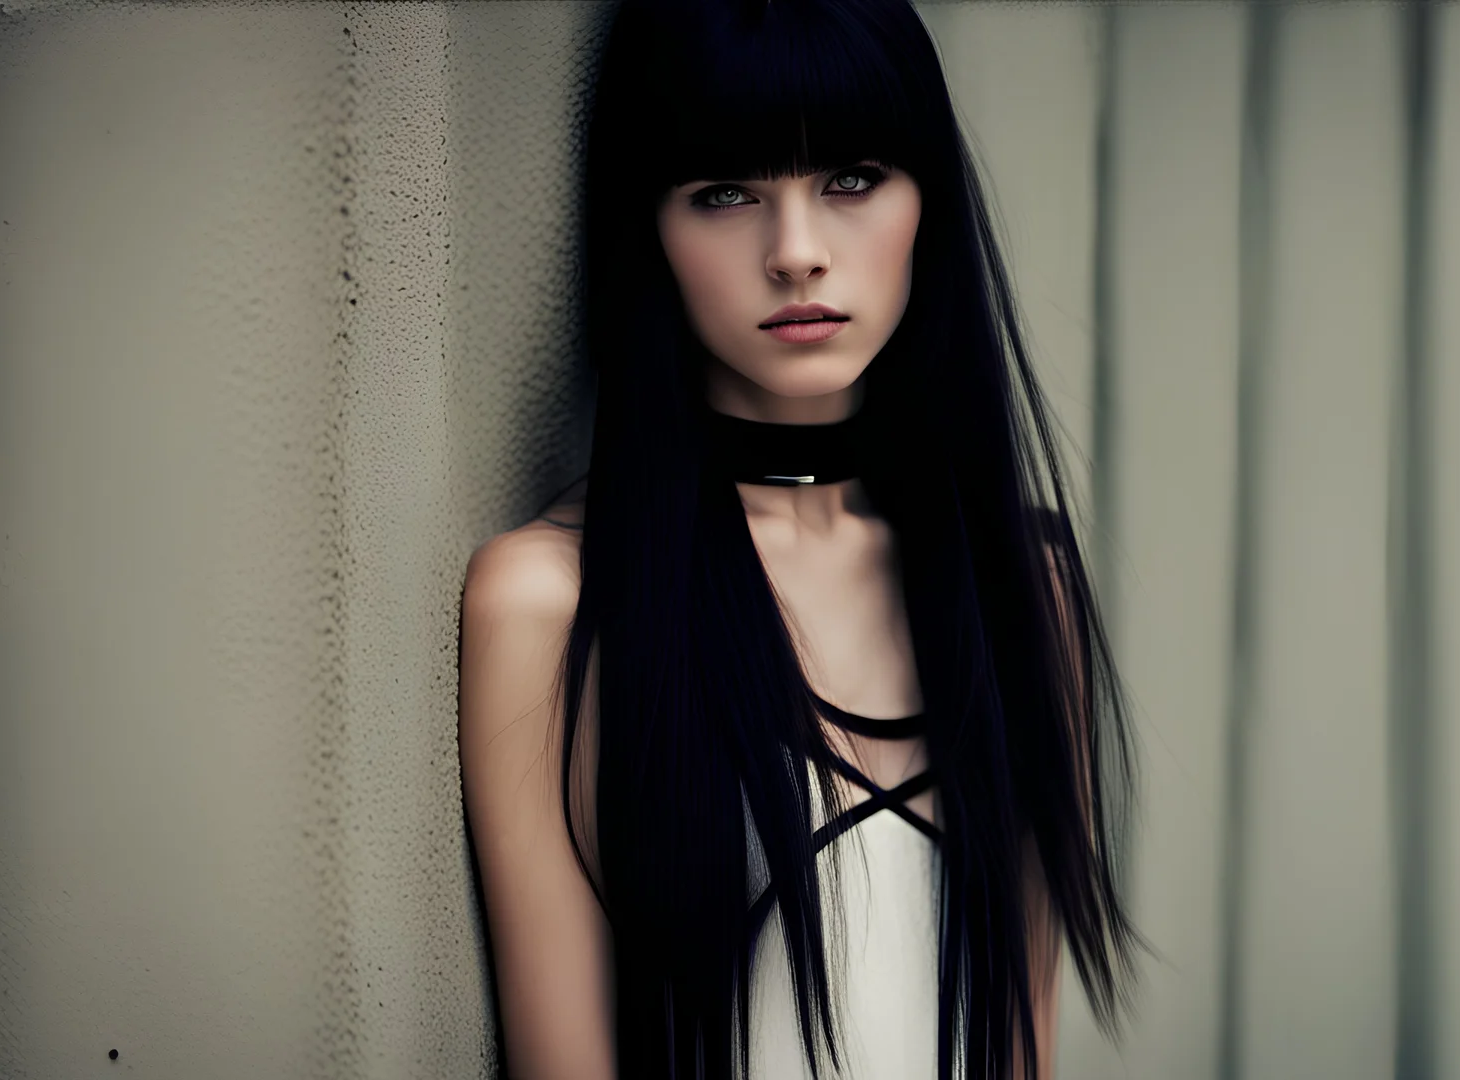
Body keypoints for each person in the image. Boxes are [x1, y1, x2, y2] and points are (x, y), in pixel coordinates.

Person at [458, 1, 1137, 1076]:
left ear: (929, 204)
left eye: (851, 179)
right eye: (725, 193)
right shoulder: (554, 601)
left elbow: (1019, 1047)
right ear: (650, 230)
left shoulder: (1019, 582)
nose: (797, 252)